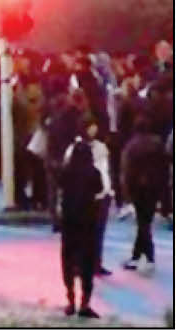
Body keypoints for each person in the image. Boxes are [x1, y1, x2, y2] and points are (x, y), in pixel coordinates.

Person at [60, 137, 105, 317]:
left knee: (68, 261)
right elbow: (99, 190)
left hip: (69, 223)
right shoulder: (94, 173)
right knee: (87, 263)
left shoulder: (66, 172)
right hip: (88, 224)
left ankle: (70, 300)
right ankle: (85, 302)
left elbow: (60, 188)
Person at [65, 116, 115, 277]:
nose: (94, 129)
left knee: (98, 232)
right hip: (87, 195)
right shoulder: (75, 148)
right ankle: (81, 264)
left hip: (102, 194)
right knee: (85, 232)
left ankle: (95, 262)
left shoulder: (101, 147)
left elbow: (106, 169)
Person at [123, 113, 168, 270]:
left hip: (137, 188)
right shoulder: (157, 144)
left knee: (143, 223)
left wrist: (127, 192)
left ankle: (147, 256)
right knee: (145, 221)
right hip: (154, 187)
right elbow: (164, 168)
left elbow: (127, 171)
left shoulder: (132, 146)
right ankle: (138, 256)